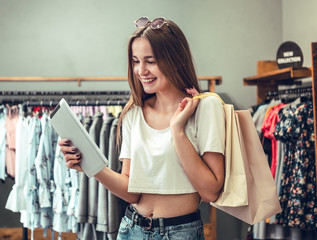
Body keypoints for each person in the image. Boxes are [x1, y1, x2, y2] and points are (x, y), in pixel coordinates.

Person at [58, 16, 225, 240]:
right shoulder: (132, 114)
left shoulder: (206, 107)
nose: (141, 70)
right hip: (131, 229)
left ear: (176, 60)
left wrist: (177, 130)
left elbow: (210, 191)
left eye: (151, 61)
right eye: (136, 61)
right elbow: (132, 192)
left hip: (181, 232)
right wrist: (92, 166)